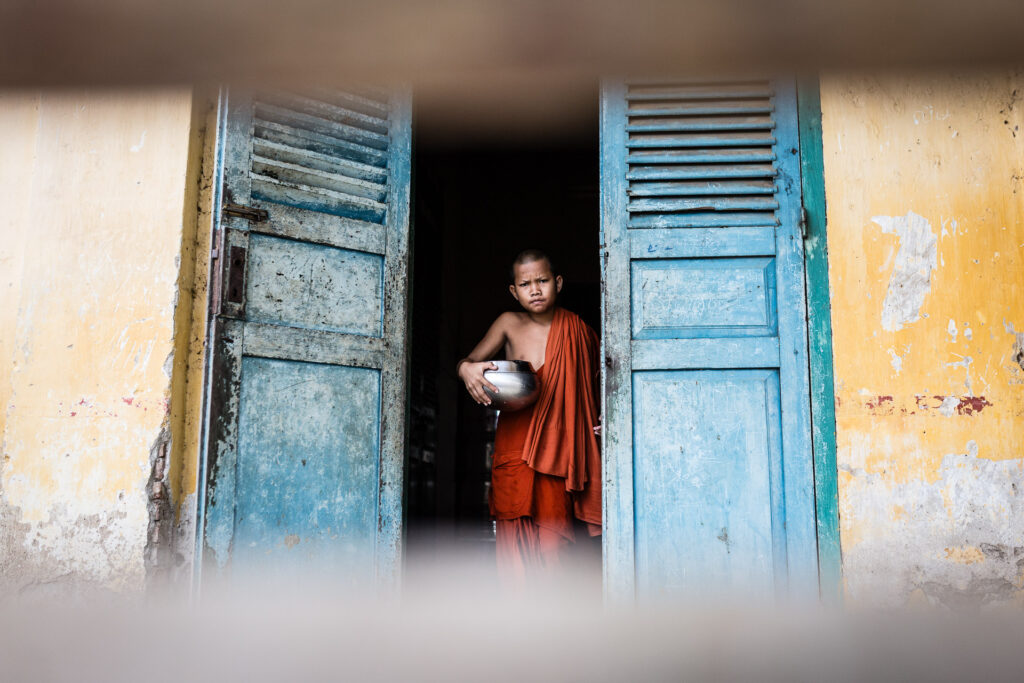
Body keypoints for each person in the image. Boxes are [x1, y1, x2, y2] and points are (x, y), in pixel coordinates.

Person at [456, 249, 601, 589]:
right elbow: (470, 360)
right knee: (514, 541)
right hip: (515, 450)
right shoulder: (508, 323)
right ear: (514, 291)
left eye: (543, 281)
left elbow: (600, 384)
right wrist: (466, 370)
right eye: (526, 284)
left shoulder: (578, 330)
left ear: (558, 283)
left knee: (554, 544)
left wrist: (603, 418)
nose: (535, 290)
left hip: (558, 456)